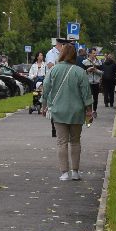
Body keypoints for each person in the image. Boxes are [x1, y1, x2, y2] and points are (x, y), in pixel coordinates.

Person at [42, 42, 94, 181]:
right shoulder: (80, 71)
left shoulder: (54, 70)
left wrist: (43, 106)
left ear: (62, 54)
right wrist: (89, 110)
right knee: (76, 141)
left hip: (59, 111)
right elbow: (86, 93)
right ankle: (75, 172)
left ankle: (64, 173)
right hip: (77, 112)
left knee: (62, 142)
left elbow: (46, 88)